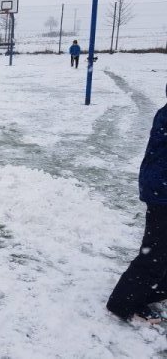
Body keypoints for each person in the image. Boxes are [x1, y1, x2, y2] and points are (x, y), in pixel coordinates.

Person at [106, 84, 167, 323]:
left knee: (160, 250)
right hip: (162, 192)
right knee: (156, 251)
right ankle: (124, 303)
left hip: (159, 186)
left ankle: (153, 291)